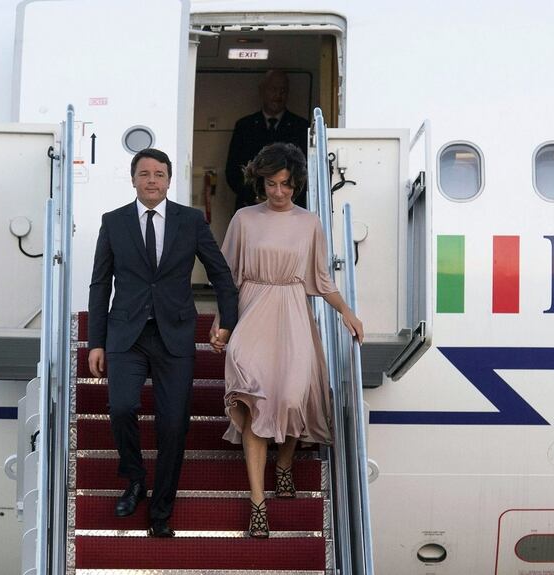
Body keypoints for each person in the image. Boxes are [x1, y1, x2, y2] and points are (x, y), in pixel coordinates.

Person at [210, 142, 364, 539]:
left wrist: (346, 311)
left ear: (295, 184)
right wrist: (221, 323)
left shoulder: (310, 222)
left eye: (286, 185)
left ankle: (284, 463)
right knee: (254, 396)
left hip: (294, 311)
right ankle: (258, 504)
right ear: (260, 182)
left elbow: (321, 278)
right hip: (253, 309)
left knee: (295, 395)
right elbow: (227, 277)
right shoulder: (244, 219)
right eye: (272, 184)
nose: (279, 192)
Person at [88, 148, 239, 538]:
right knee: (121, 407)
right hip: (127, 335)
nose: (151, 180)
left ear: (169, 180)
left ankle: (161, 512)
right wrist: (96, 342)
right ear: (133, 179)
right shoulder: (114, 222)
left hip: (173, 334)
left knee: (173, 427)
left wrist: (228, 323)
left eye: (158, 174)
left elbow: (220, 273)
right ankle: (135, 478)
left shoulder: (190, 221)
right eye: (144, 174)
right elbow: (101, 283)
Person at [225, 70, 311, 210]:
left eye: (283, 90)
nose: (278, 95)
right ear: (262, 91)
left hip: (290, 208)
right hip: (251, 206)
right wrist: (256, 196)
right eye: (273, 89)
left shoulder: (301, 127)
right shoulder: (245, 126)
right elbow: (233, 171)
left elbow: (306, 171)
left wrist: (286, 197)